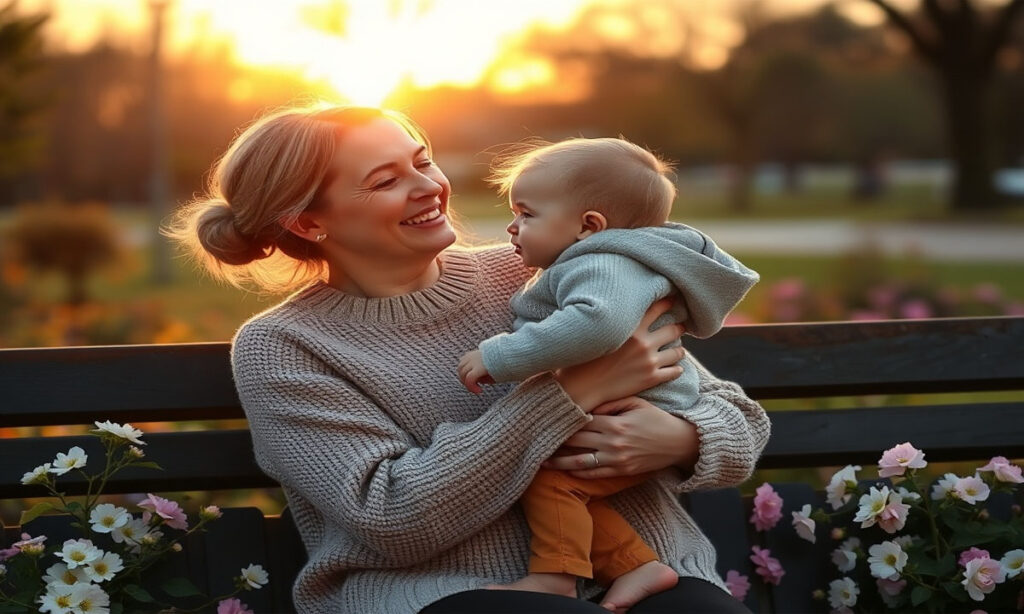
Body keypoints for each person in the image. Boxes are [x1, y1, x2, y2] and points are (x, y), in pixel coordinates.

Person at [167, 104, 769, 614]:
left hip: (650, 576)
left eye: (422, 159)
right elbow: (393, 520)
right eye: (385, 180)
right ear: (309, 221)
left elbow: (736, 418)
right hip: (444, 595)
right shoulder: (285, 347)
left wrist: (682, 439)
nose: (430, 185)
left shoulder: (547, 271)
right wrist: (570, 394)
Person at [456, 137, 759, 612]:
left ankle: (554, 578)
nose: (511, 227)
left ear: (588, 226)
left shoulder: (602, 264)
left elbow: (598, 324)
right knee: (567, 491)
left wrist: (500, 356)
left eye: (526, 214)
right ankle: (635, 565)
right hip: (629, 409)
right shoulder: (608, 260)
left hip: (641, 413)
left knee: (552, 483)